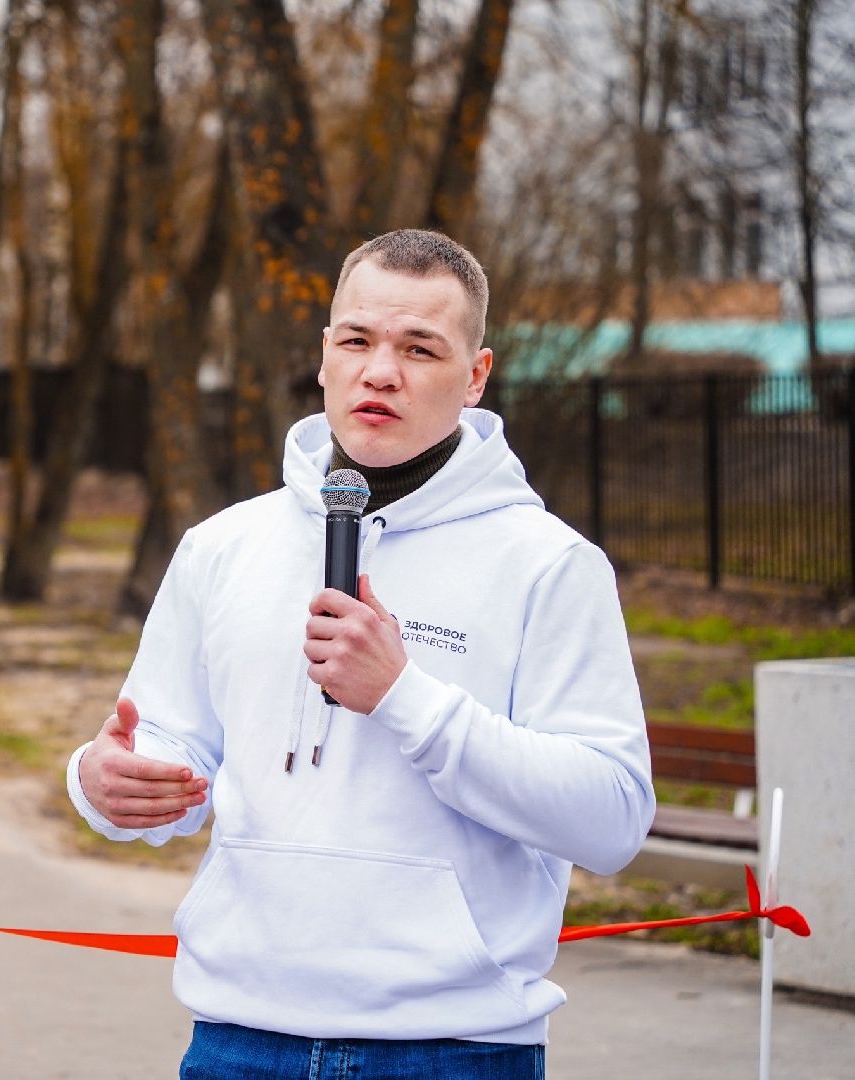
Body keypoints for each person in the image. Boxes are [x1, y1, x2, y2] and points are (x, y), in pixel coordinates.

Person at [67, 229, 653, 1078]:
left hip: (450, 1051)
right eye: (357, 341)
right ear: (324, 356)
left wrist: (405, 696)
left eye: (419, 348)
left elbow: (611, 818)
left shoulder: (548, 566)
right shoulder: (221, 547)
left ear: (477, 375)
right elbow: (167, 748)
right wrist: (101, 781)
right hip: (237, 1039)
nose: (381, 371)